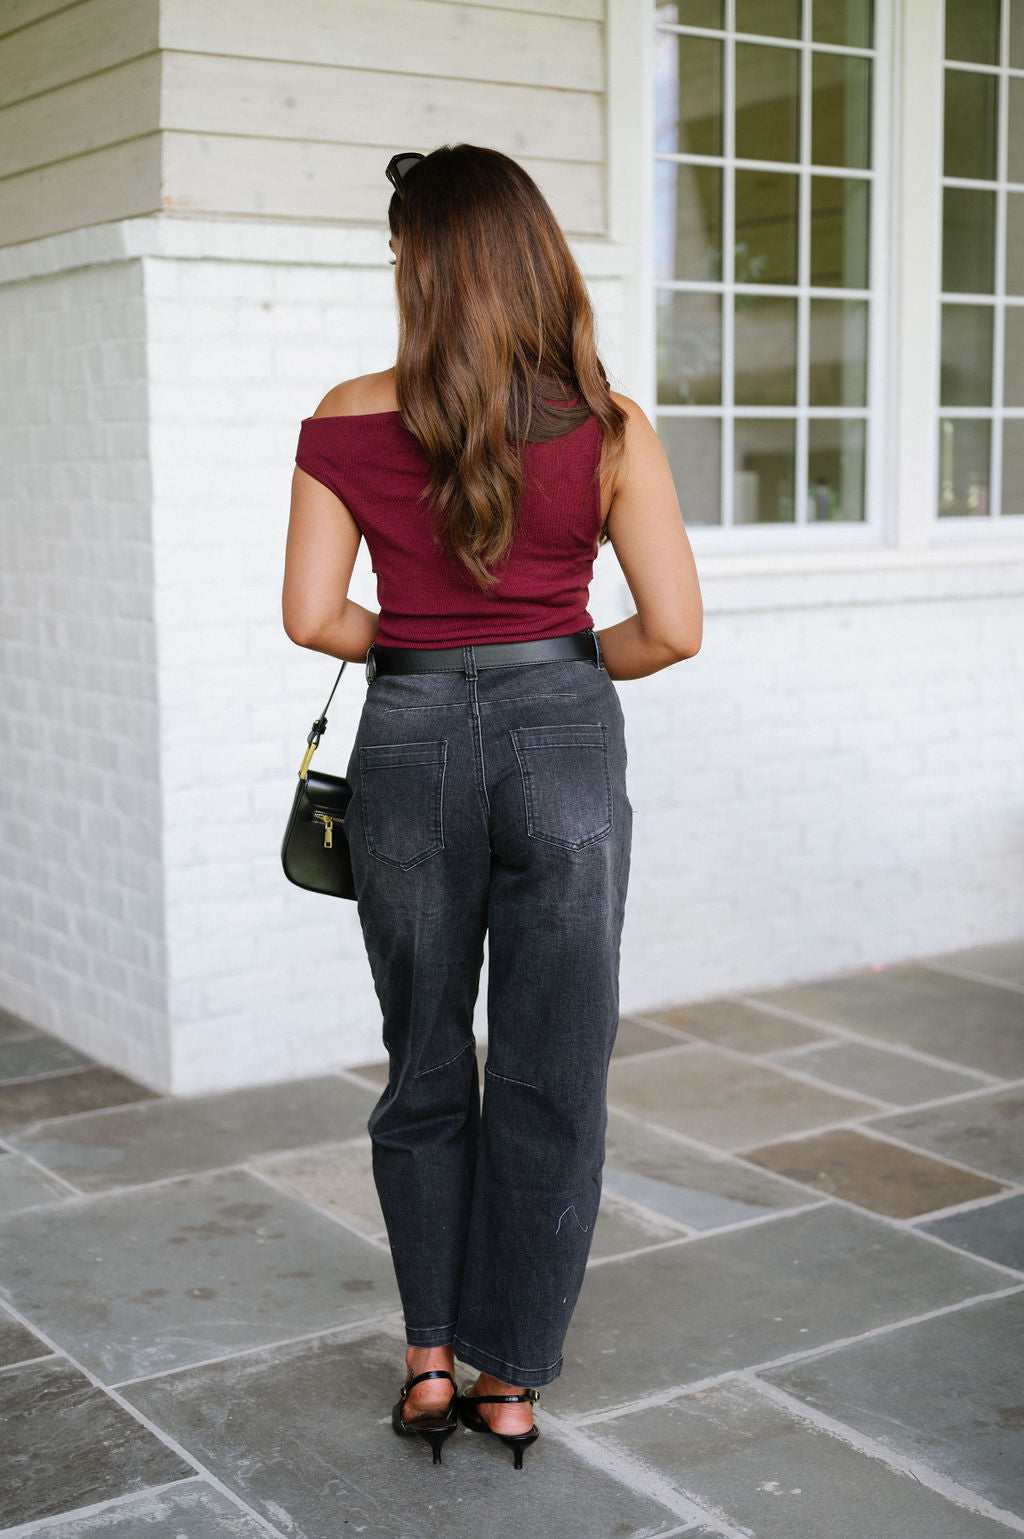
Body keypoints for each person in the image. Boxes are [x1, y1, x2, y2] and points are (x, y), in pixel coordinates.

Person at [282, 144, 702, 1469]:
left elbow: (310, 619)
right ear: (532, 257)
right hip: (564, 736)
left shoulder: (347, 414)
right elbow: (674, 630)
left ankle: (424, 1360)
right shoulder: (610, 423)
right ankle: (509, 1380)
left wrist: (421, 652)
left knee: (421, 1059)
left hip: (407, 739)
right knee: (552, 1071)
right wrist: (561, 661)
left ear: (422, 261)